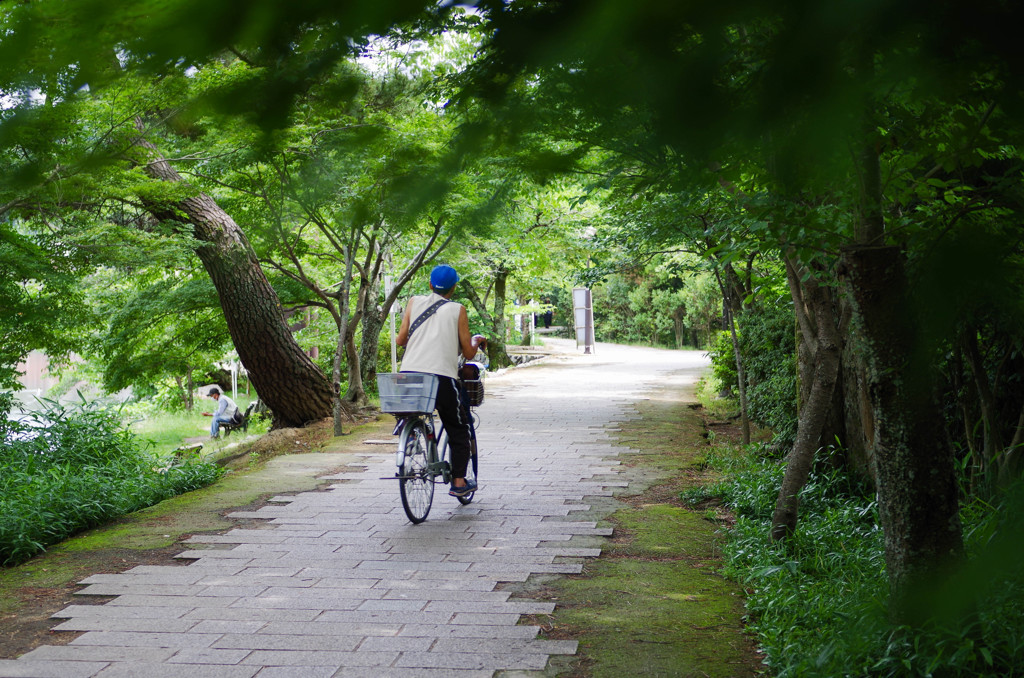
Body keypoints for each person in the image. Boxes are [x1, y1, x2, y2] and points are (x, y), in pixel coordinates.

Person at [397, 264, 486, 497]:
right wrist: (476, 340)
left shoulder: (414, 302)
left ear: (430, 285)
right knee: (459, 427)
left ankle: (412, 437)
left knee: (416, 413)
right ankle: (458, 482)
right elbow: (468, 353)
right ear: (454, 287)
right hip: (441, 379)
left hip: (409, 377)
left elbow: (400, 339)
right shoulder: (458, 309)